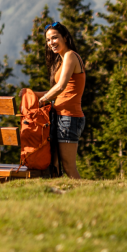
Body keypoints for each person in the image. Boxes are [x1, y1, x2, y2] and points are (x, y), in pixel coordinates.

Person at [37, 21, 86, 179]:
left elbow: (61, 86)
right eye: (48, 40)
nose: (51, 43)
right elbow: (57, 90)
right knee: (54, 165)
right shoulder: (60, 60)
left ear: (65, 37)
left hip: (69, 117)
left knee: (68, 167)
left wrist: (42, 100)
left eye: (54, 38)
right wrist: (31, 95)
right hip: (60, 116)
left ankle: (86, 199)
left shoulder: (71, 56)